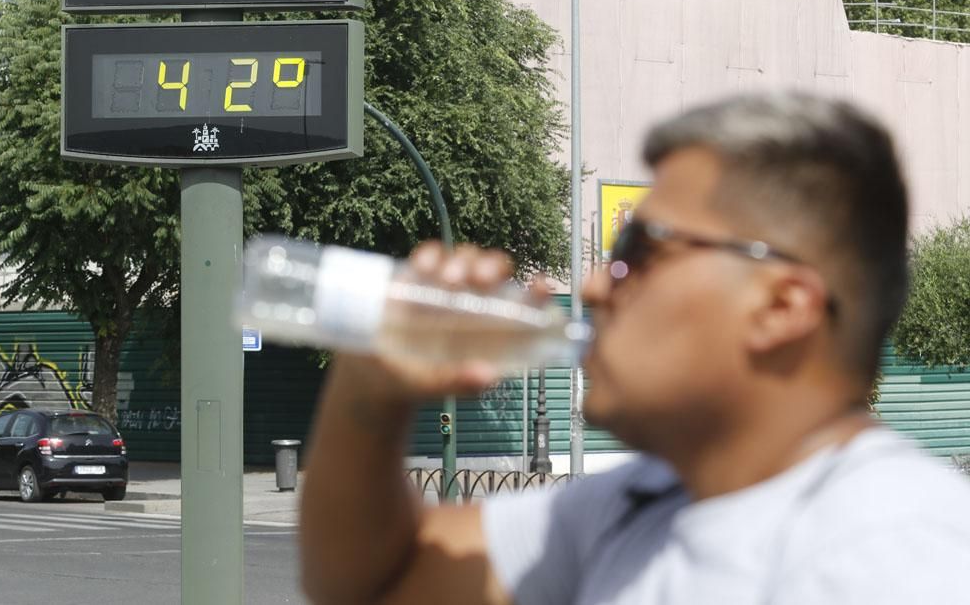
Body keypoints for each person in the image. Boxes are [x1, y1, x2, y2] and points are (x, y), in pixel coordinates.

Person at [299, 92, 970, 605]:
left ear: (780, 307)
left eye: (636, 252)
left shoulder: (894, 552)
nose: (593, 284)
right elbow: (373, 579)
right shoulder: (641, 501)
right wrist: (370, 389)